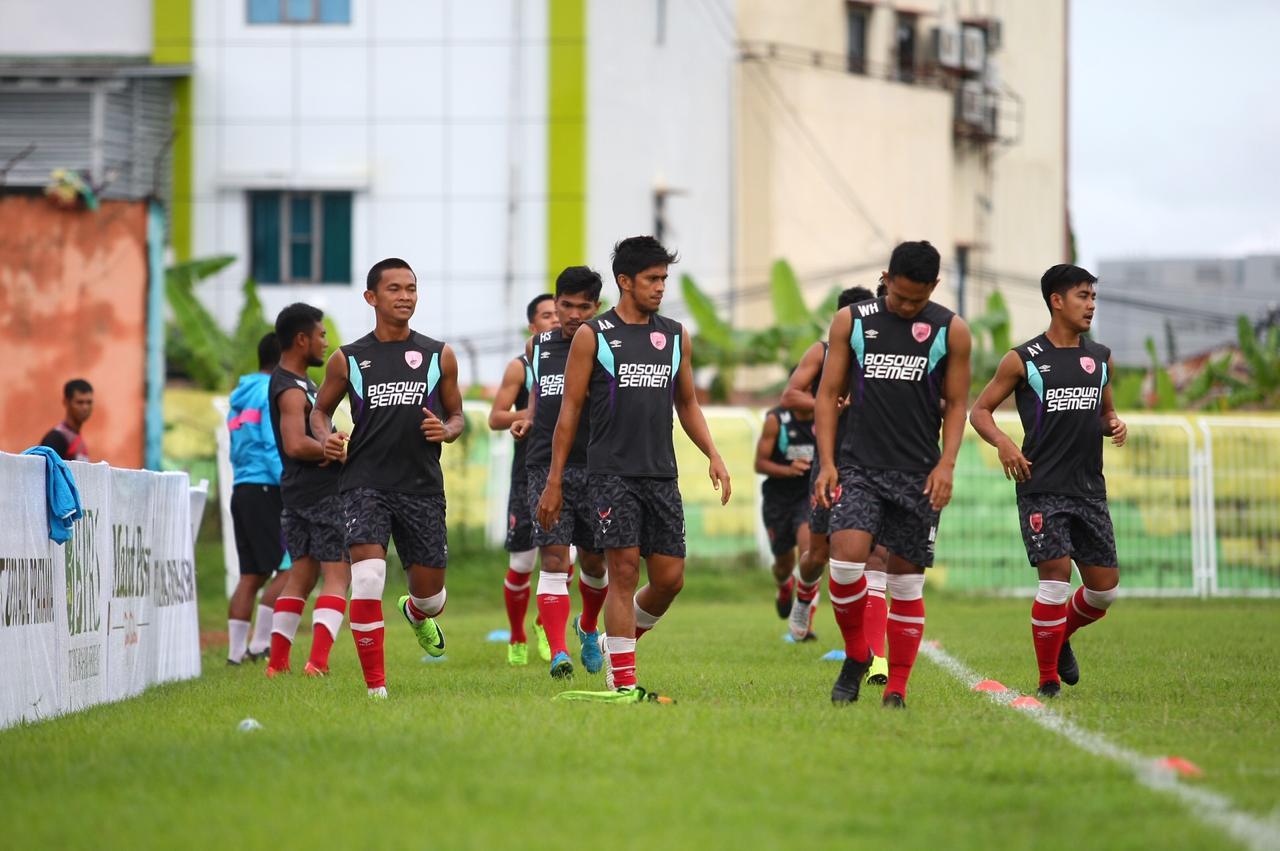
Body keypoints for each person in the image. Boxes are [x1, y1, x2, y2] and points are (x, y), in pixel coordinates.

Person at [537, 236, 731, 700]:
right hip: (611, 476)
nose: (660, 287)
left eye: (664, 278)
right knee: (622, 573)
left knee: (669, 579)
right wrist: (555, 480)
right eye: (651, 279)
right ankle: (623, 681)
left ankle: (613, 644)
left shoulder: (675, 334)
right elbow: (568, 412)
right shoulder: (594, 336)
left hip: (661, 474)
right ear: (625, 281)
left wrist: (714, 454)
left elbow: (687, 402)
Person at [814, 241, 971, 708]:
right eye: (900, 296)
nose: (906, 307)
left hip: (918, 474)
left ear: (934, 288)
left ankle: (897, 689)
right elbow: (827, 394)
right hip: (859, 465)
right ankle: (858, 653)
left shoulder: (951, 330)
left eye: (917, 300)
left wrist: (947, 464)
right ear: (886, 278)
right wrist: (827, 462)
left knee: (905, 583)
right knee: (843, 564)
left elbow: (959, 403)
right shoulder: (853, 321)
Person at [969, 264, 1127, 699]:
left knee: (1103, 594)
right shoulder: (1023, 359)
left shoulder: (1101, 358)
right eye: (1083, 296)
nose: (1091, 305)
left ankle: (1060, 639)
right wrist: (1003, 442)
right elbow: (979, 411)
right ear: (1057, 301)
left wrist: (1113, 423)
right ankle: (1047, 682)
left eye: (1093, 297)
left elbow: (1103, 412)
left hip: (1089, 490)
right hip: (1041, 487)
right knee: (1055, 581)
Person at [310, 258, 465, 698]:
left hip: (421, 487)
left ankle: (417, 614)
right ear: (371, 298)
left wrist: (448, 430)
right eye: (394, 289)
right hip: (364, 484)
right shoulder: (348, 359)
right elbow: (319, 412)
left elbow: (456, 416)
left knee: (432, 597)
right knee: (369, 577)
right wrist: (326, 438)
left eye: (411, 288)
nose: (405, 296)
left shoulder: (439, 355)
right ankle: (376, 688)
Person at [780, 287, 892, 680]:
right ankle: (804, 594)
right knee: (817, 554)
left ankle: (874, 656)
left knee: (876, 559)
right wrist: (827, 405)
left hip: (879, 468)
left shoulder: (889, 354)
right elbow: (791, 395)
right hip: (831, 466)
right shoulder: (823, 352)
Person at [520, 267, 610, 678]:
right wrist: (528, 417)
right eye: (566, 305)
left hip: (597, 466)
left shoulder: (608, 346)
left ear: (597, 308)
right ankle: (559, 653)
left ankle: (588, 626)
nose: (574, 314)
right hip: (544, 465)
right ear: (555, 304)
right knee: (554, 557)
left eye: (584, 307)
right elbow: (542, 396)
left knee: (594, 563)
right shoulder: (537, 346)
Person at [264, 303, 352, 678]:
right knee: (338, 575)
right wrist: (335, 449)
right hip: (319, 493)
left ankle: (277, 664)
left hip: (299, 493)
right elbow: (295, 444)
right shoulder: (290, 390)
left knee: (301, 574)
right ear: (302, 340)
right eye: (321, 335)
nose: (325, 342)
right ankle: (317, 663)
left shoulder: (300, 383)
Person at [488, 293, 560, 666]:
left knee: (566, 560)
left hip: (572, 473)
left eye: (557, 313)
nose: (555, 320)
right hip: (527, 475)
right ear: (534, 327)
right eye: (546, 315)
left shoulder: (579, 360)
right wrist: (527, 414)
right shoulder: (521, 367)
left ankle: (546, 626)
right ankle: (517, 634)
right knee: (522, 564)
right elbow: (495, 416)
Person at [226, 334, 289, 665]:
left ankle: (235, 653)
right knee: (291, 567)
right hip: (268, 487)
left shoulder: (241, 394)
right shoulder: (269, 392)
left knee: (251, 574)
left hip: (243, 488)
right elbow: (270, 444)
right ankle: (260, 644)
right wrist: (289, 481)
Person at [753, 396, 814, 629]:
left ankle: (804, 615)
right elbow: (760, 463)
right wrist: (788, 470)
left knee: (809, 553)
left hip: (808, 497)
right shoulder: (777, 419)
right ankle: (784, 586)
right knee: (783, 565)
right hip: (778, 500)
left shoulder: (827, 415)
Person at [40, 379, 94, 461]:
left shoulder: (77, 438)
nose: (85, 407)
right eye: (80, 402)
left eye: (89, 402)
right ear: (66, 402)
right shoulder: (56, 438)